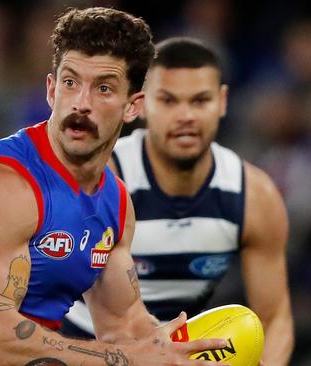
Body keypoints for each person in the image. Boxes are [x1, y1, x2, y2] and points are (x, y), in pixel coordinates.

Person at [0, 9, 230, 366]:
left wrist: (194, 353)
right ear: (52, 90)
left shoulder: (114, 204)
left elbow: (124, 327)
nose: (81, 103)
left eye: (103, 88)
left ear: (133, 106)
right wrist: (133, 359)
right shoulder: (1, 186)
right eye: (71, 82)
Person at [63, 37, 295, 365]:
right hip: (86, 351)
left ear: (223, 101)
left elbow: (274, 320)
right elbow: (112, 322)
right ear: (141, 104)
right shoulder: (102, 180)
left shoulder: (254, 196)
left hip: (182, 355)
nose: (185, 116)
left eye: (200, 101)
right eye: (169, 101)